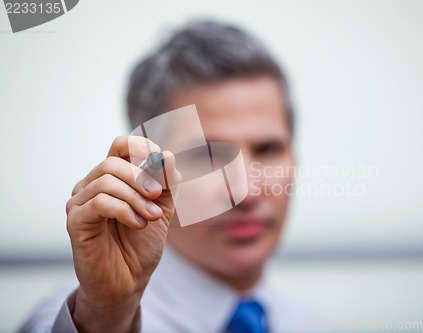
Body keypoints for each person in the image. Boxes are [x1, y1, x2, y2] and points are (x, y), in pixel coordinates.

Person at [19, 20, 333, 333]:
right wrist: (105, 315)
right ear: (147, 169)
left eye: (267, 149)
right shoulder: (79, 319)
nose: (246, 191)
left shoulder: (313, 324)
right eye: (209, 156)